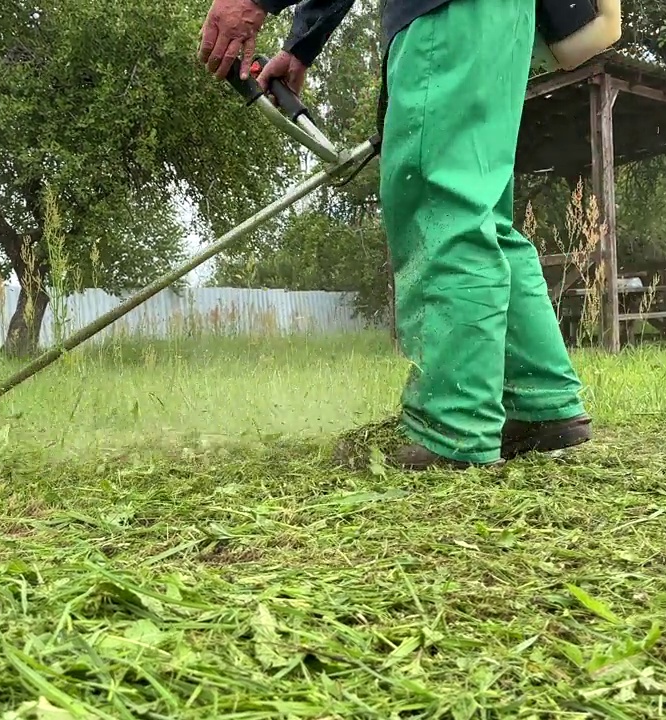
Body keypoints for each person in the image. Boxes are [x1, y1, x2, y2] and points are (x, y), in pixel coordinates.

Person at [198, 0, 592, 470]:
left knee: (439, 206)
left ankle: (455, 426)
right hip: (505, 21)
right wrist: (304, 43)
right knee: (481, 210)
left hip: (445, 13)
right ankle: (540, 403)